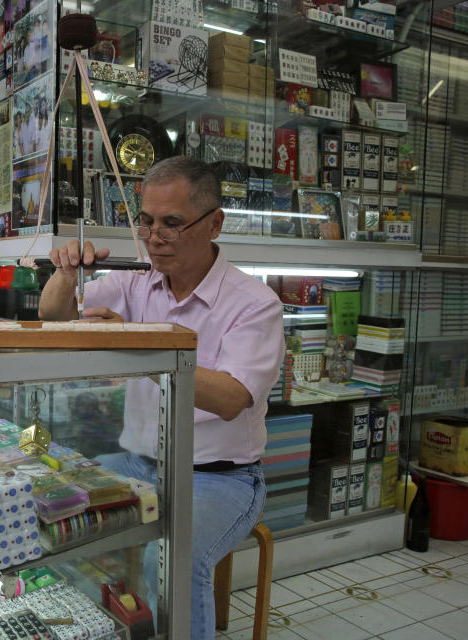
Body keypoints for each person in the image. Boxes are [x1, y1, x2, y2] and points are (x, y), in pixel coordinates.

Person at [38, 156, 284, 638]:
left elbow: (232, 397)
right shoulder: (136, 281)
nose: (155, 237)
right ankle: (103, 626)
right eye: (146, 221)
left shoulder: (254, 303)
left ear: (214, 223)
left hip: (221, 479)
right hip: (138, 466)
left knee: (170, 557)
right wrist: (67, 273)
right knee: (53, 504)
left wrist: (137, 340)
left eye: (173, 223)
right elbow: (54, 318)